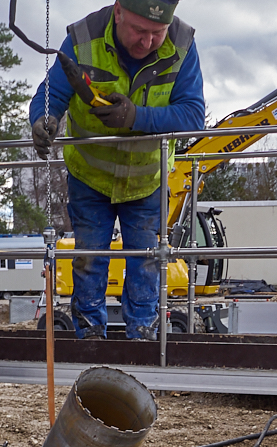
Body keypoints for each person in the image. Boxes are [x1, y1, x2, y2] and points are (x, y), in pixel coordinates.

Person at [28, 0, 205, 340]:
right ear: (119, 11)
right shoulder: (83, 38)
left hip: (146, 183)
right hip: (90, 180)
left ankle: (143, 338)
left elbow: (193, 115)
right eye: (139, 30)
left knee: (147, 266)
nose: (147, 42)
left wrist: (137, 117)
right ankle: (90, 339)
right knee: (89, 262)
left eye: (157, 33)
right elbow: (52, 92)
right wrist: (43, 119)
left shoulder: (182, 43)